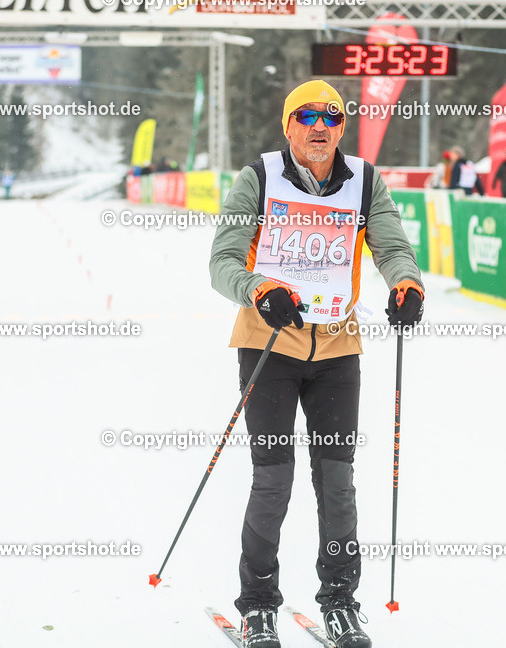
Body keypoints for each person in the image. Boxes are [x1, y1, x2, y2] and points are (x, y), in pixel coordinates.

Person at [209, 80, 425, 648]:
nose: (320, 126)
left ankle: (340, 601)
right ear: (288, 126)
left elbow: (393, 247)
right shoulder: (258, 178)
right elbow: (222, 261)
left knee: (336, 482)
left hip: (336, 350)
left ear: (342, 127)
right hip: (268, 345)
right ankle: (259, 605)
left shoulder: (364, 181)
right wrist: (259, 290)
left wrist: (406, 283)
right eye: (306, 116)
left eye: (331, 116)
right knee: (272, 480)